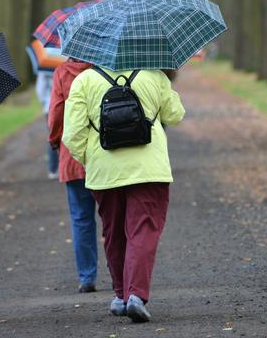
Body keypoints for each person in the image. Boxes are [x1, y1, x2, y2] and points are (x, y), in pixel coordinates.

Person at [62, 67, 185, 323]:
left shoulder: (83, 81)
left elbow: (72, 135)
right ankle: (136, 296)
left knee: (114, 232)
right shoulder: (155, 76)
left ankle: (120, 295)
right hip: (149, 170)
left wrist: (91, 158)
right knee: (143, 229)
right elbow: (175, 116)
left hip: (104, 173)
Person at [48, 58, 99, 293]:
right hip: (103, 152)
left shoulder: (62, 72)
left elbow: (56, 112)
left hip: (72, 154)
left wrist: (55, 140)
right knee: (113, 217)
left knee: (81, 218)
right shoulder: (103, 67)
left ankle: (87, 276)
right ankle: (123, 274)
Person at [36, 68, 59, 179]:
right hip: (63, 105)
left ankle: (53, 169)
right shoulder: (64, 62)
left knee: (53, 136)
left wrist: (45, 103)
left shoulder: (44, 67)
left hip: (49, 107)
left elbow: (40, 90)